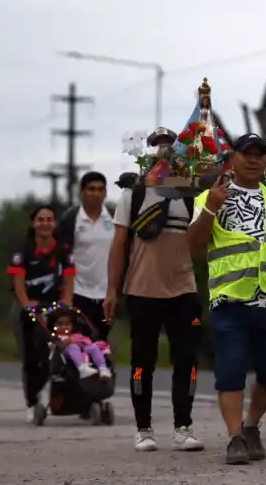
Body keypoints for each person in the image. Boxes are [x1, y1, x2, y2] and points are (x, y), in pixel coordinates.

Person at [188, 133, 266, 465]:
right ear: (233, 158)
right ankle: (234, 437)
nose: (253, 160)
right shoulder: (212, 195)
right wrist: (211, 207)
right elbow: (193, 244)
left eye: (259, 154)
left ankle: (251, 426)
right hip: (228, 299)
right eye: (247, 154)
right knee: (231, 370)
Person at [105, 155, 205, 453]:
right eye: (158, 156)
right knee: (142, 363)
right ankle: (143, 429)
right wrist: (111, 290)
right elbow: (118, 244)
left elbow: (201, 240)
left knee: (187, 361)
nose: (164, 161)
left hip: (183, 290)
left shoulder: (189, 195)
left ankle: (183, 428)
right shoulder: (133, 195)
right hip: (142, 289)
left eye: (169, 155)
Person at [7, 204, 75, 422]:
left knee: (55, 353)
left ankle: (61, 396)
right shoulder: (22, 251)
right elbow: (18, 283)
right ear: (33, 223)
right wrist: (27, 304)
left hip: (52, 307)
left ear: (54, 223)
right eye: (40, 219)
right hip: (26, 308)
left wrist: (66, 302)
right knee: (31, 358)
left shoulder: (63, 249)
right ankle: (31, 401)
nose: (45, 223)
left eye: (49, 219)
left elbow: (69, 278)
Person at [58, 172, 115, 342]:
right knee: (80, 341)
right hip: (79, 291)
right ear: (82, 192)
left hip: (106, 293)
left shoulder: (113, 216)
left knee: (102, 342)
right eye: (91, 189)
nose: (96, 194)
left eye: (101, 189)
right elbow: (62, 255)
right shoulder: (71, 218)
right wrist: (65, 292)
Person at [51, 311, 112, 380]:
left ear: (72, 325)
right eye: (60, 324)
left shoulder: (76, 335)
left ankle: (102, 368)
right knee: (73, 347)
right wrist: (62, 343)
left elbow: (87, 342)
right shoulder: (54, 337)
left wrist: (74, 340)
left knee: (93, 347)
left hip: (82, 352)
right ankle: (82, 368)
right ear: (54, 325)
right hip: (65, 354)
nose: (64, 327)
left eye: (67, 324)